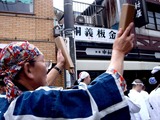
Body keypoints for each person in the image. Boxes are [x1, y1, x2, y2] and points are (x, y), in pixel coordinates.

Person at [0, 22, 134, 120]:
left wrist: (59, 65)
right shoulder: (36, 102)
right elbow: (95, 97)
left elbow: (42, 85)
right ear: (28, 69)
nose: (47, 68)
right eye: (44, 62)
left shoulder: (6, 103)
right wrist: (118, 52)